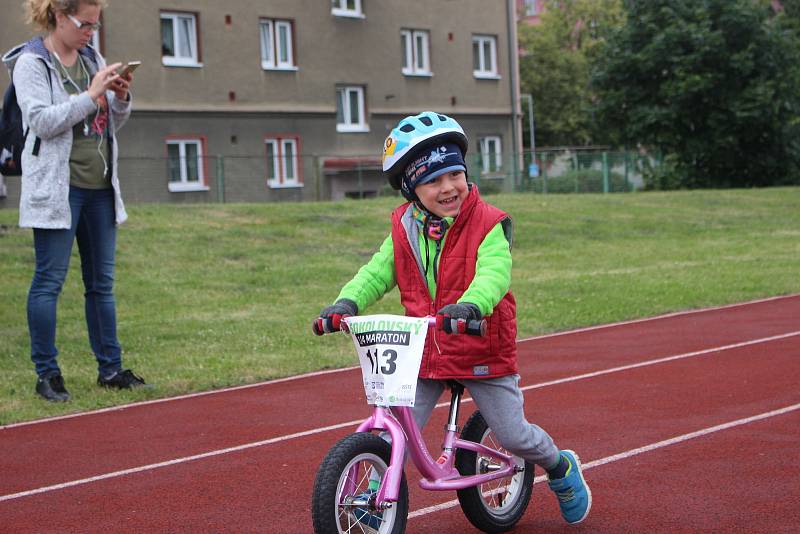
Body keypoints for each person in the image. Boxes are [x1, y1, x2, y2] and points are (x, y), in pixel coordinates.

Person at [316, 111, 591, 525]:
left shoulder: (488, 223)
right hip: (425, 350)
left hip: (479, 340)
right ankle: (372, 496)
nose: (448, 188)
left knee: (514, 434)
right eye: (432, 180)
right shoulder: (405, 229)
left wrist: (471, 305)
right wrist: (346, 302)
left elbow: (494, 273)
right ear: (411, 188)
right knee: (396, 429)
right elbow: (377, 271)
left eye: (453, 175)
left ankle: (559, 465)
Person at [3, 0, 146, 402]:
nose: (90, 33)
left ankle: (111, 369)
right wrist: (91, 94)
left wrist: (118, 98)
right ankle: (47, 374)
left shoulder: (90, 57)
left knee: (101, 285)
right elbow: (42, 122)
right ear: (59, 17)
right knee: (49, 282)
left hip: (99, 187)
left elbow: (106, 125)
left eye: (95, 25)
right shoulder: (31, 63)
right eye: (84, 24)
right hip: (57, 189)